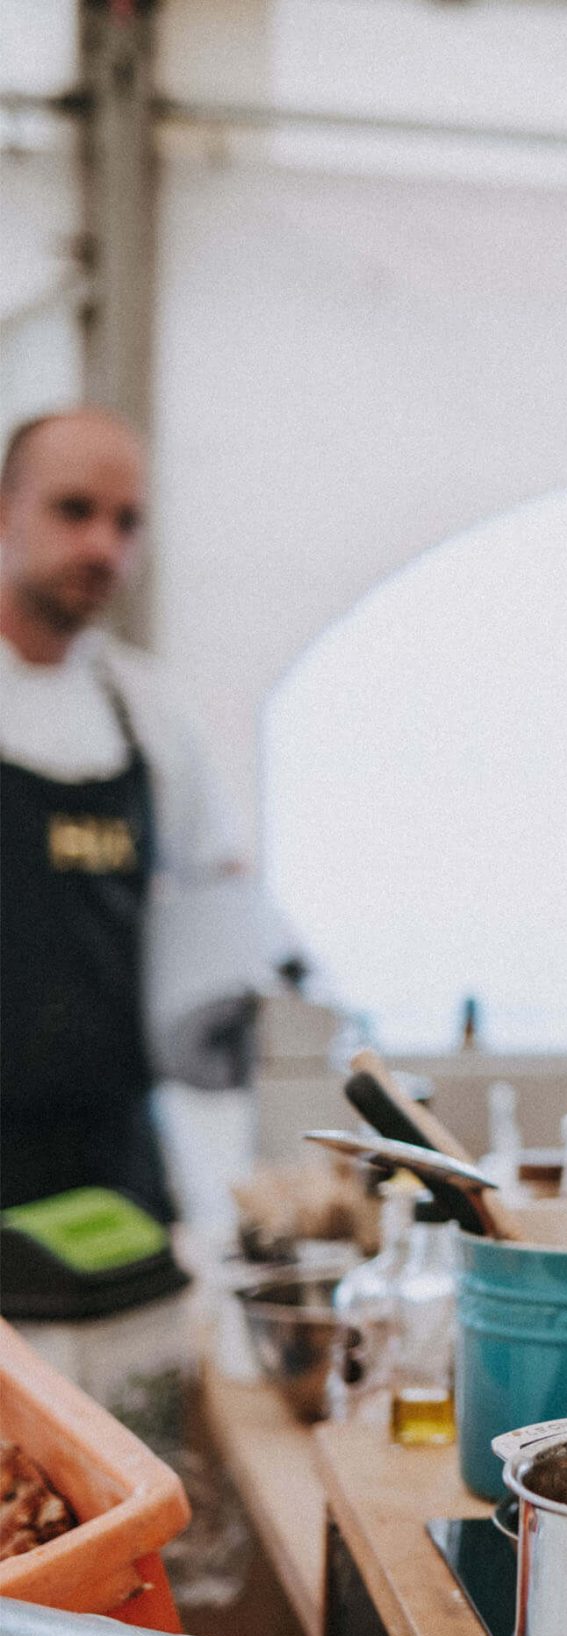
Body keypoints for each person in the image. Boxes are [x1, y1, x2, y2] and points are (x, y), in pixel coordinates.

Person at [0, 409, 259, 1223]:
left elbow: (215, 941)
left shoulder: (151, 715)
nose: (103, 547)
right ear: (6, 509)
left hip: (114, 1175)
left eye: (127, 522)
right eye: (74, 510)